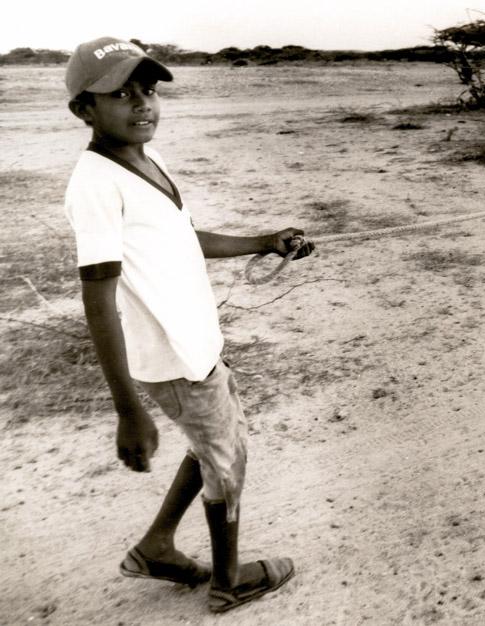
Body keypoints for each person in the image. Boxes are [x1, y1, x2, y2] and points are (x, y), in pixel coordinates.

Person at [63, 36, 314, 614]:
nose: (142, 103)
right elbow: (97, 298)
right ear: (84, 110)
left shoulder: (146, 159)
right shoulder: (96, 185)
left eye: (148, 89)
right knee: (226, 457)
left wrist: (263, 241)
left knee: (211, 445)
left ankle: (156, 546)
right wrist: (128, 410)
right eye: (120, 94)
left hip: (196, 344)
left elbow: (184, 237)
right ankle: (228, 581)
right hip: (173, 355)